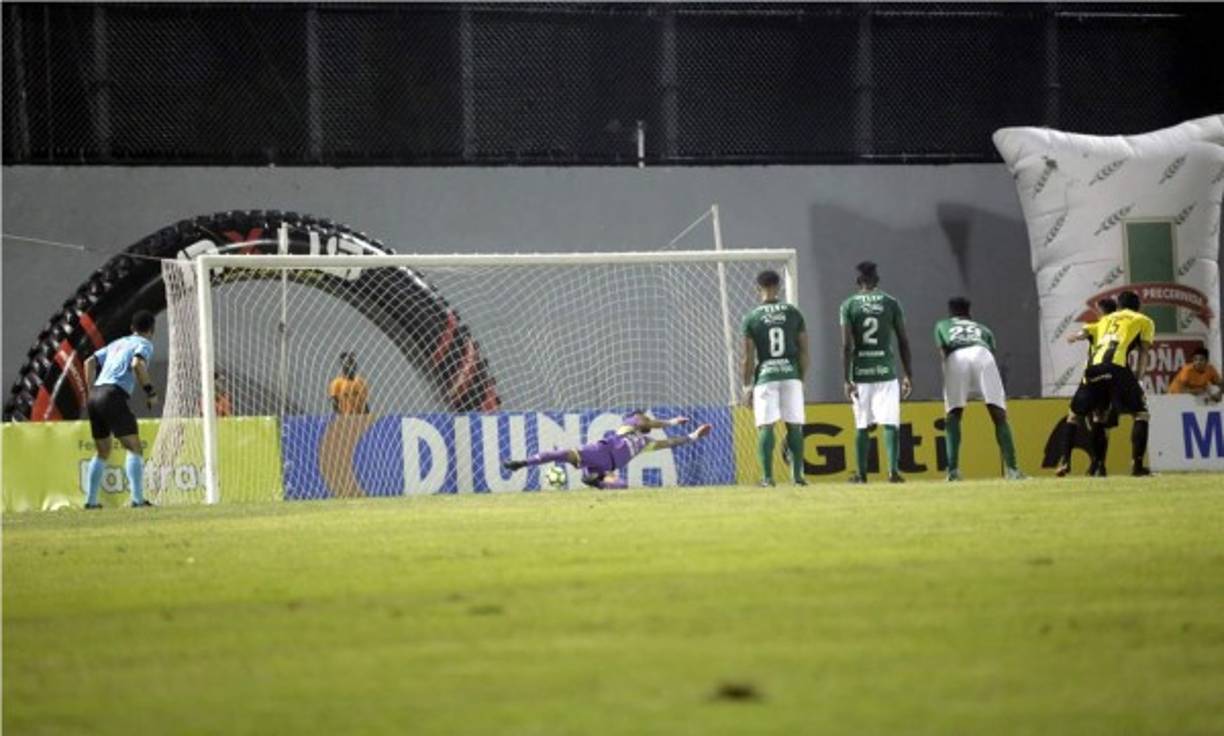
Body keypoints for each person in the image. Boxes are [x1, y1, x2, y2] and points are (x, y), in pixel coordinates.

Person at [1055, 290, 1155, 477]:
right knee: (1141, 414)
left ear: (1118, 306)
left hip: (1093, 370)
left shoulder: (1103, 321)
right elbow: (1143, 352)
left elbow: (1085, 331)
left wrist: (1076, 336)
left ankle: (1066, 461)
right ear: (1138, 306)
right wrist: (1138, 379)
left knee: (1077, 416)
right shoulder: (1144, 321)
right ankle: (1137, 466)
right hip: (1117, 369)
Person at [934, 297, 1026, 481]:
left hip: (956, 356)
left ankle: (952, 472)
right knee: (998, 413)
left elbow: (942, 350)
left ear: (950, 312)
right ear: (969, 314)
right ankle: (1013, 470)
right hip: (982, 354)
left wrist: (949, 379)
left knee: (954, 414)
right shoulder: (983, 328)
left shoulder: (942, 325)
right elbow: (991, 350)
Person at [502, 411, 712, 489]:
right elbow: (648, 422)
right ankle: (521, 463)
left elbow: (669, 443)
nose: (647, 419)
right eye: (646, 417)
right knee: (561, 454)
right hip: (600, 451)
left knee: (622, 486)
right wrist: (673, 421)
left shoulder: (645, 443)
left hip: (607, 466)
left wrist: (694, 435)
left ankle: (593, 480)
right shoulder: (629, 424)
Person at [840, 261, 913, 483]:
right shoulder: (891, 303)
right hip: (886, 371)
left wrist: (846, 379)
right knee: (890, 422)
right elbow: (903, 340)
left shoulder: (848, 305)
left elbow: (846, 346)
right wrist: (908, 374)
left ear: (858, 282)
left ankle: (861, 475)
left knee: (862, 424)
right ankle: (892, 472)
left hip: (861, 373)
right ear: (877, 281)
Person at [81, 310, 158, 508]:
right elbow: (137, 364)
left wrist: (91, 391)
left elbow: (88, 362)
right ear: (151, 330)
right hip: (112, 395)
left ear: (132, 328)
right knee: (134, 447)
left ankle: (90, 502)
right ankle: (138, 500)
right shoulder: (144, 344)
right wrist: (150, 392)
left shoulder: (117, 342)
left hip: (96, 394)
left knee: (102, 451)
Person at [740, 269, 808, 486]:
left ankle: (768, 478)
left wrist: (746, 387)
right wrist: (801, 378)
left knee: (766, 426)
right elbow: (804, 350)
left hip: (766, 376)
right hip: (790, 373)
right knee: (794, 426)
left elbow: (747, 357)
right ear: (779, 287)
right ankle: (797, 477)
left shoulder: (752, 317)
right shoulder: (793, 313)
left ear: (757, 288)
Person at [1060, 297, 1118, 476]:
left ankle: (1065, 461)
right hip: (1112, 379)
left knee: (1073, 417)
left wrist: (1073, 337)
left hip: (1093, 378)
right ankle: (1099, 465)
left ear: (1101, 311)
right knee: (1099, 421)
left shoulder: (1097, 326)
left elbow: (1080, 335)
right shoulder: (1121, 330)